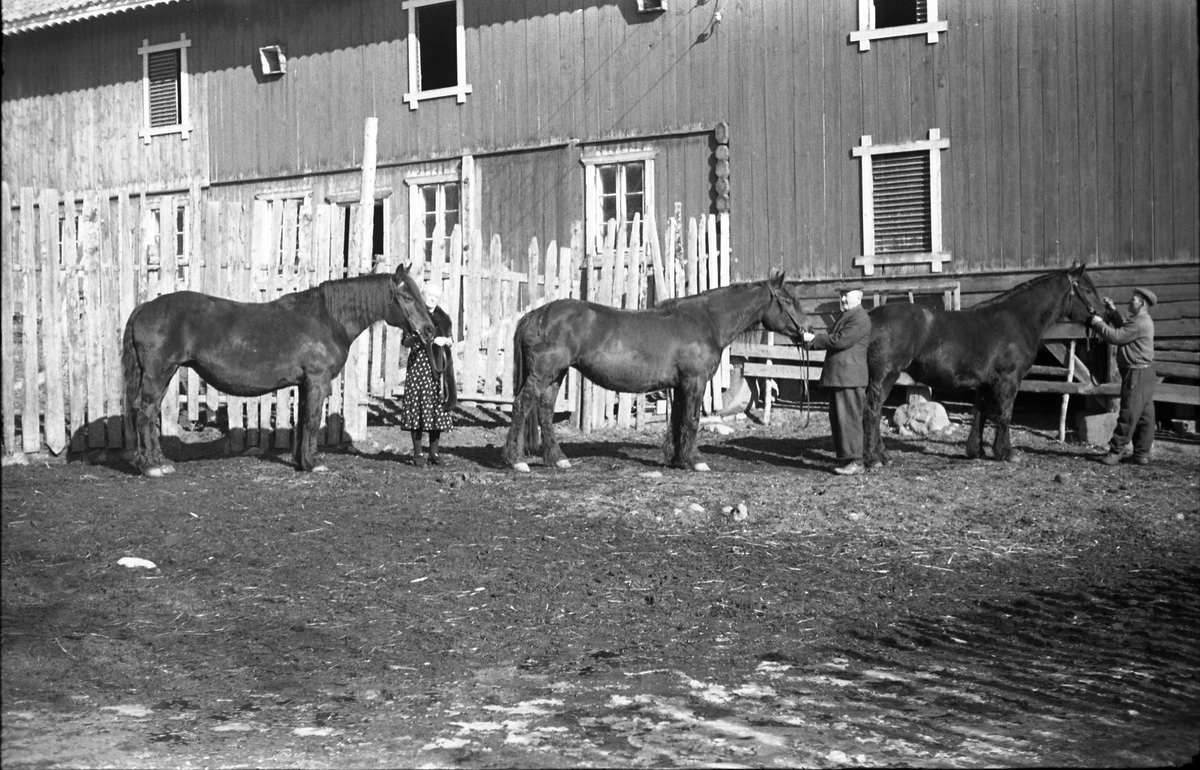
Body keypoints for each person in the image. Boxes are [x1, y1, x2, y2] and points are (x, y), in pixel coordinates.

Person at [802, 286, 871, 475]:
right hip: (842, 377)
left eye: (846, 297)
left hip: (849, 378)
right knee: (841, 419)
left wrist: (814, 339)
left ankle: (857, 461)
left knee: (850, 419)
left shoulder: (859, 318)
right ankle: (850, 457)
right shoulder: (849, 316)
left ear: (858, 297)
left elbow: (840, 341)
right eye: (841, 297)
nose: (842, 300)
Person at [1089, 287, 1157, 466]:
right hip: (1145, 372)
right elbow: (1124, 329)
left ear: (1142, 303)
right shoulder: (1141, 321)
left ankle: (1115, 451)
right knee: (1144, 415)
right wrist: (1112, 312)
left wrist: (1097, 323)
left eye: (1133, 299)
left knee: (1128, 413)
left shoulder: (1140, 322)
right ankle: (1142, 453)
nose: (1130, 301)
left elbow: (1116, 336)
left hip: (1136, 374)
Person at [400, 283, 457, 467]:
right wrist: (416, 337)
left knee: (436, 409)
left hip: (437, 369)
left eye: (436, 296)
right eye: (430, 294)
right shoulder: (414, 316)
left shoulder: (444, 319)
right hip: (418, 367)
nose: (433, 298)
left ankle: (434, 453)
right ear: (423, 295)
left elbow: (451, 339)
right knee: (417, 408)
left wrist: (444, 340)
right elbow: (405, 342)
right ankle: (417, 453)